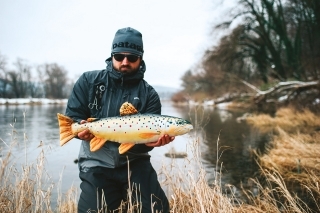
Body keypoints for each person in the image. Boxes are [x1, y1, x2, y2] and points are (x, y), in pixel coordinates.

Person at [65, 27, 174, 213]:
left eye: (132, 58)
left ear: (140, 58)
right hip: (96, 164)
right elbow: (73, 118)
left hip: (135, 164)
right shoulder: (88, 81)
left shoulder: (150, 94)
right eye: (119, 56)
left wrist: (152, 143)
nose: (125, 62)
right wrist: (79, 131)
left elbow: (144, 142)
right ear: (111, 55)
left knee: (158, 209)